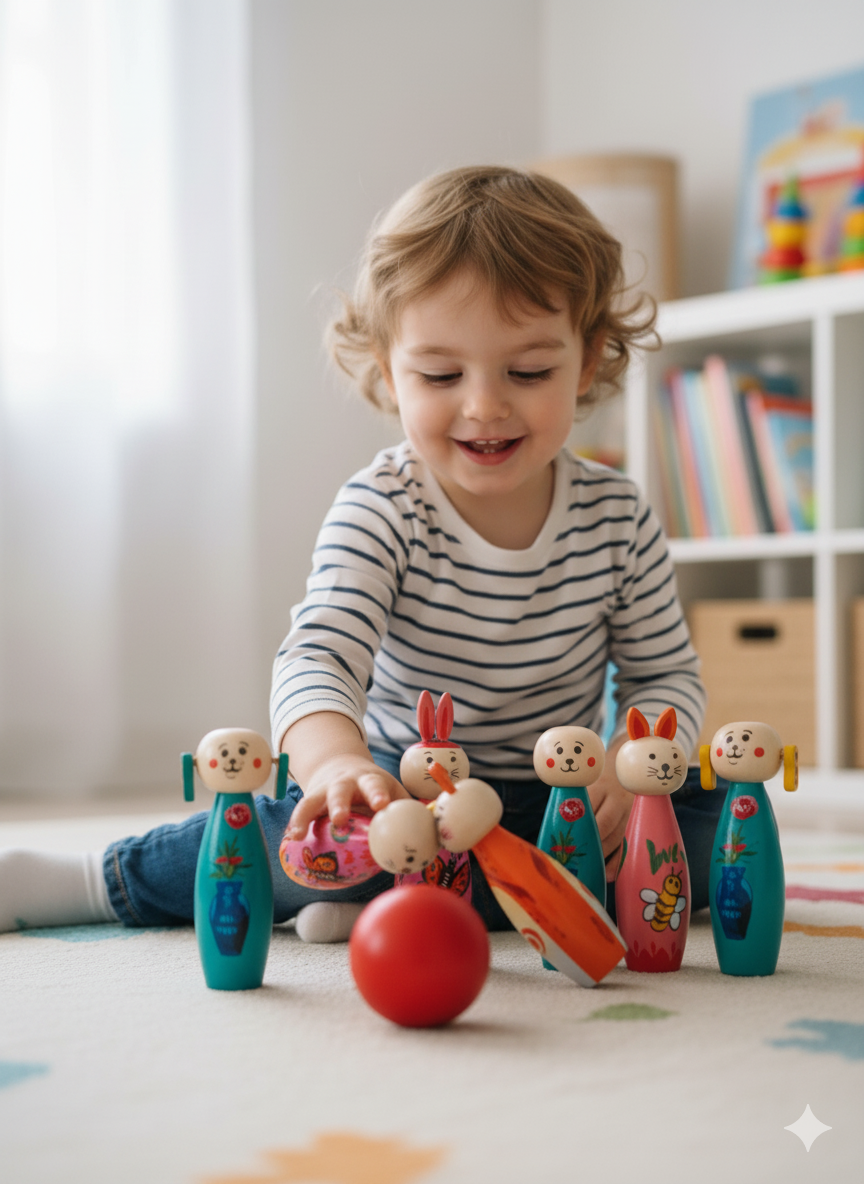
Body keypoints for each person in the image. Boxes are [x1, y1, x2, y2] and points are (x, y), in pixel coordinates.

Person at [0, 166, 722, 943]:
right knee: (287, 839)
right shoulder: (385, 504)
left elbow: (663, 675)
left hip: (564, 801)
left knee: (717, 839)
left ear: (589, 360)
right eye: (441, 374)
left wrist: (628, 763)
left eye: (529, 371)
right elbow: (319, 657)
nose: (484, 404)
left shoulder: (618, 516)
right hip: (400, 798)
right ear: (388, 371)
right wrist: (338, 769)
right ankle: (95, 881)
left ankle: (396, 899)